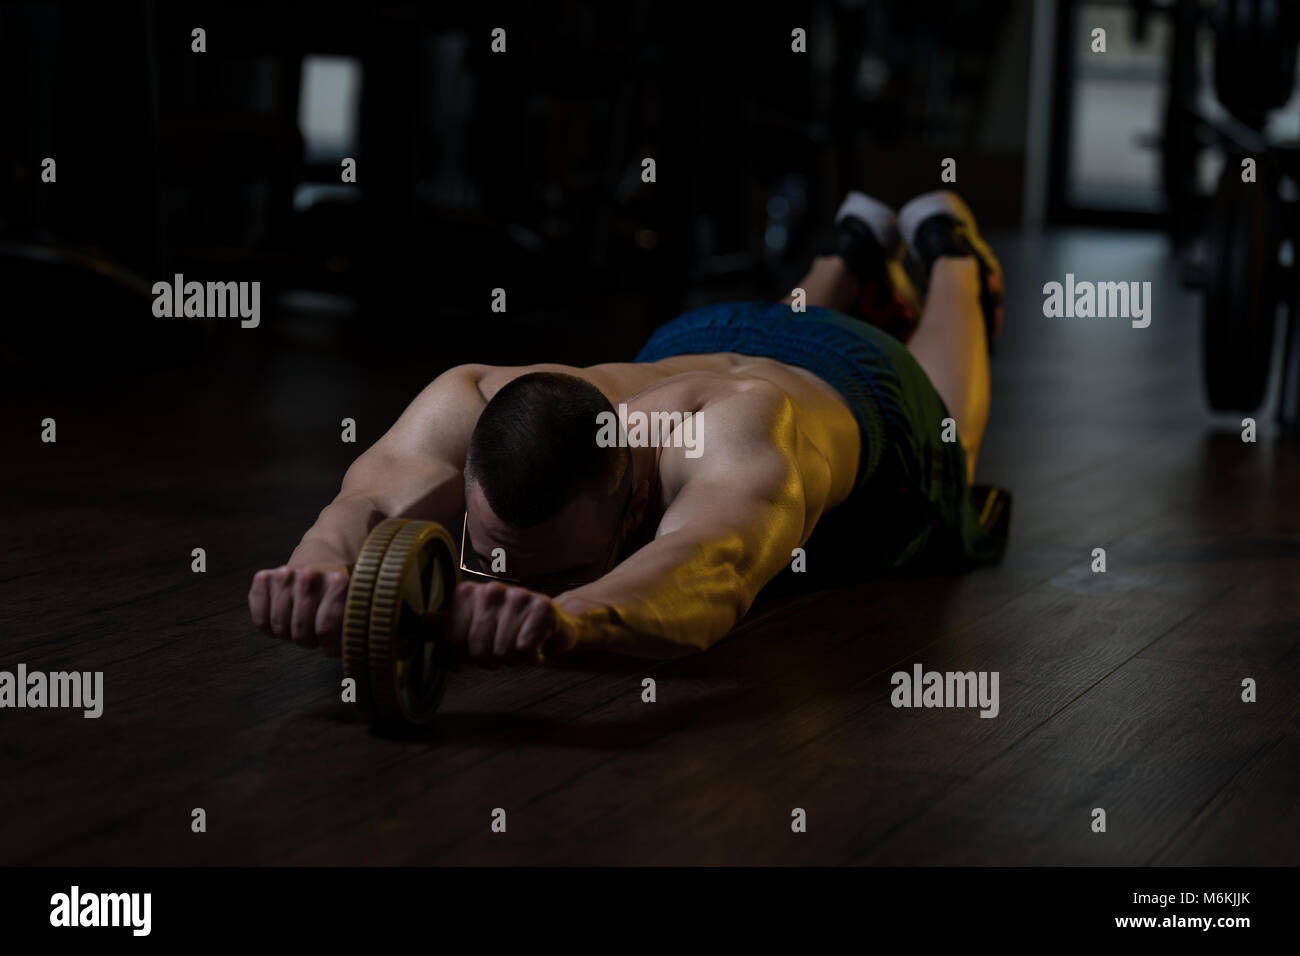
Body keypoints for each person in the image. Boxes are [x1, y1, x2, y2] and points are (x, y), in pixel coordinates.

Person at [248, 190, 1009, 666]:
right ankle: (851, 247)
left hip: (853, 377)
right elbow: (370, 501)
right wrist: (314, 570)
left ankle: (949, 248)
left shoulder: (747, 443)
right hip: (702, 335)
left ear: (638, 505)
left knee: (947, 431)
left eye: (553, 575)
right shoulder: (469, 394)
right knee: (777, 327)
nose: (502, 584)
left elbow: (705, 573)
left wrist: (565, 619)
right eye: (490, 558)